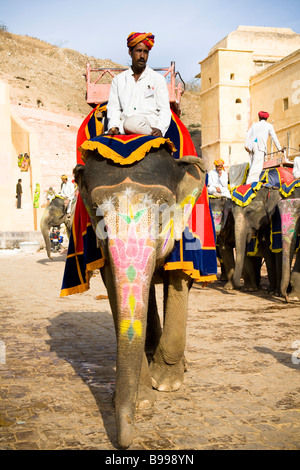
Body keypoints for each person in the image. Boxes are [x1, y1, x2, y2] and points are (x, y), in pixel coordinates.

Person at [106, 32, 171, 137]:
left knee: (132, 123)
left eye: (145, 52)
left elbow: (164, 110)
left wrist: (159, 129)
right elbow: (113, 108)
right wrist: (113, 127)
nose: (142, 56)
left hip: (149, 123)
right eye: (138, 51)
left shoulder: (158, 79)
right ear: (130, 52)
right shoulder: (118, 80)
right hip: (123, 127)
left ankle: (152, 135)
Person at [245, 111, 284, 184]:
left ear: (259, 117)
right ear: (267, 118)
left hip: (252, 145)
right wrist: (279, 148)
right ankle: (251, 183)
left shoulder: (254, 125)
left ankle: (251, 181)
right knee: (257, 166)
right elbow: (274, 138)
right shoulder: (269, 126)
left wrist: (246, 145)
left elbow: (247, 135)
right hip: (260, 146)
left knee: (252, 164)